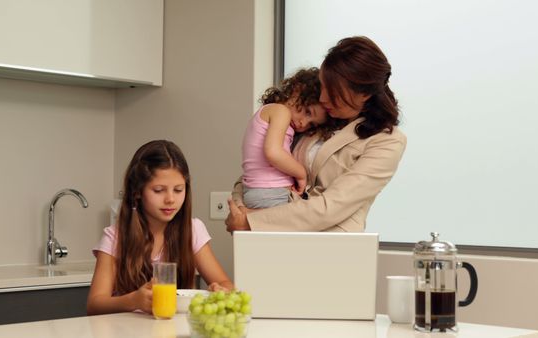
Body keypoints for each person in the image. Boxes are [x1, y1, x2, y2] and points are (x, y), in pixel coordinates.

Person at [226, 36, 407, 233]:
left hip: (329, 246)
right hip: (274, 235)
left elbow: (332, 207)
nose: (322, 97)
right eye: (322, 86)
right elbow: (257, 168)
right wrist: (239, 209)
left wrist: (250, 220)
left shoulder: (387, 141)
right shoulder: (313, 122)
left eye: (332, 91)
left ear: (364, 94)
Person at [87, 140, 234, 315]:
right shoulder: (115, 238)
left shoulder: (193, 230)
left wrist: (221, 290)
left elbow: (226, 284)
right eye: (158, 190)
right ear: (137, 192)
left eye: (178, 190)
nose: (170, 199)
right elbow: (95, 305)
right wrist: (133, 300)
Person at [241, 67, 329, 209]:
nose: (303, 123)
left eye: (311, 124)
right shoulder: (280, 112)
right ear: (297, 90)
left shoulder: (269, 112)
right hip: (270, 193)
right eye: (307, 112)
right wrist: (301, 174)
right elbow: (273, 152)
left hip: (259, 191)